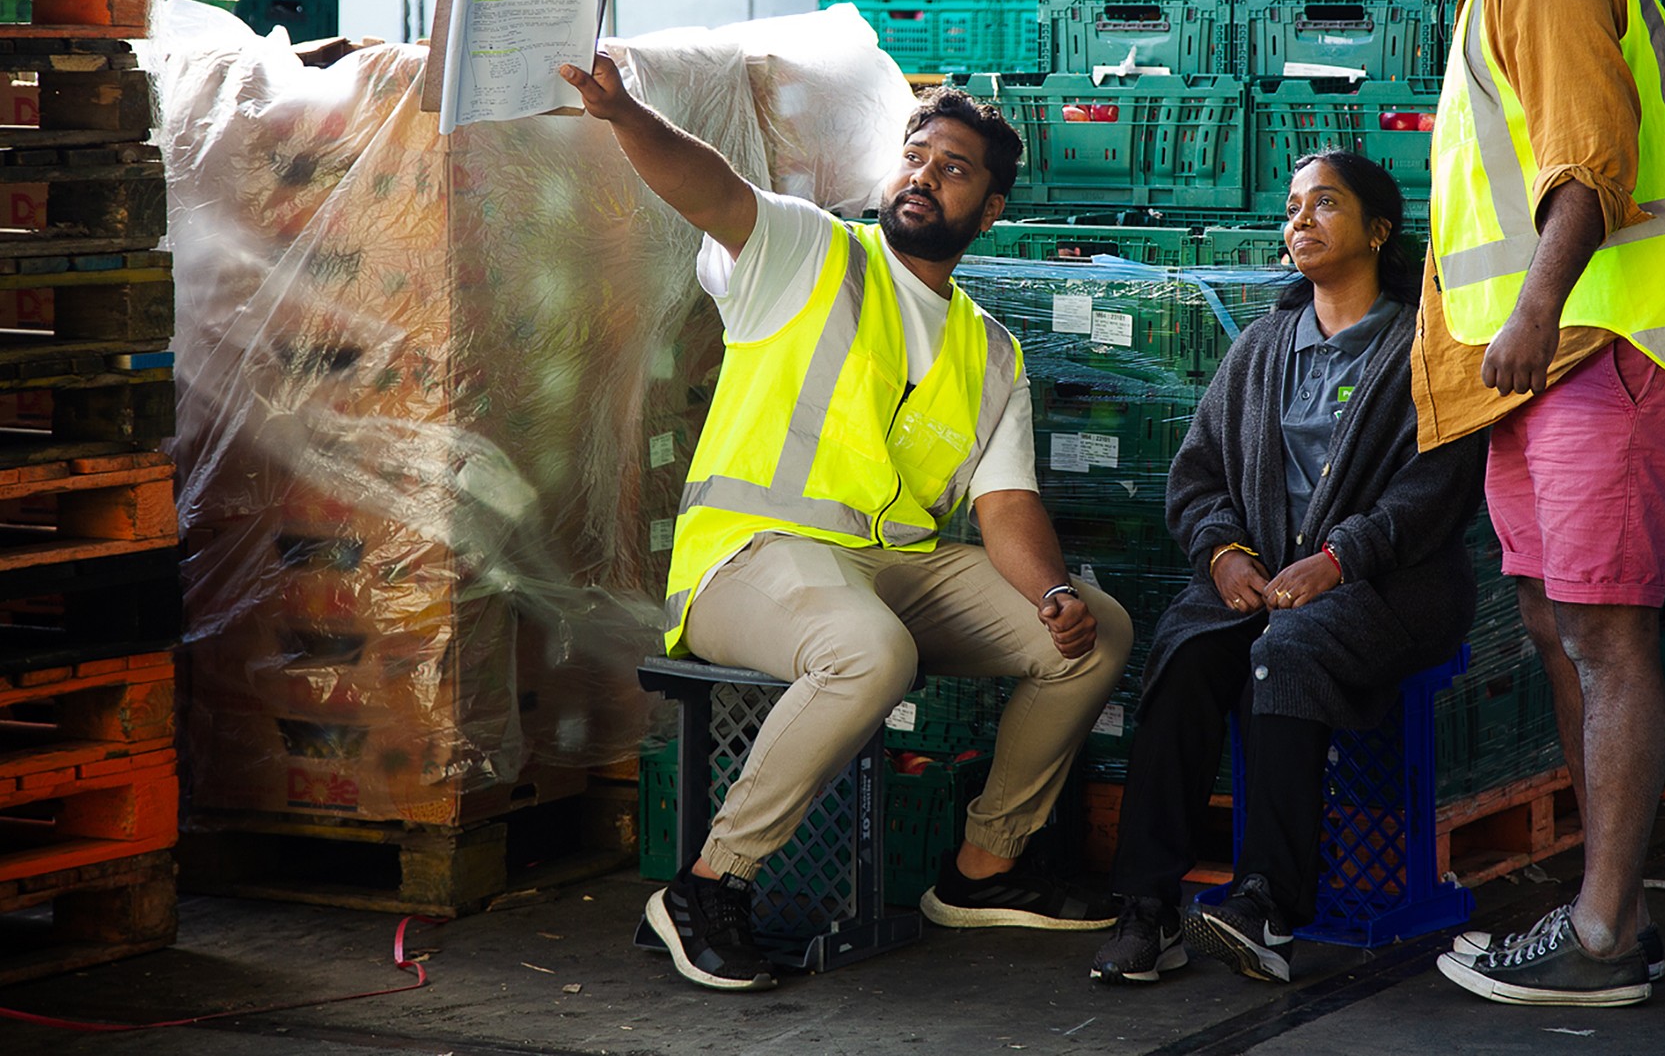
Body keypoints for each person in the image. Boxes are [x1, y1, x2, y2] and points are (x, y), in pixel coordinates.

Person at [561, 55, 1134, 993]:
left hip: (890, 566)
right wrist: (625, 115)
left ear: (990, 211)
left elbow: (1007, 504)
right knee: (871, 652)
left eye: (953, 168)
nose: (923, 174)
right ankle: (709, 884)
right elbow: (707, 187)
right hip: (750, 558)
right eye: (915, 154)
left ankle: (982, 867)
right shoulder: (807, 250)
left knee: (1095, 633)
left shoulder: (989, 350)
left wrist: (1054, 592)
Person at [1362, 0, 1665, 1007]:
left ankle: (1600, 934)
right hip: (1540, 375)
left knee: (1605, 636)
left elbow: (1591, 150)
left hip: (1609, 346)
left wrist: (1539, 311)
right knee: (1556, 626)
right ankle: (1618, 914)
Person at [1089, 151, 1485, 986]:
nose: (1300, 219)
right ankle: (1148, 907)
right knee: (1189, 652)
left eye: (1326, 204)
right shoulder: (1266, 344)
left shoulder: (1426, 345)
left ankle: (1266, 905)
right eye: (1294, 205)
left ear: (1379, 230)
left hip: (1390, 585)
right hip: (1264, 579)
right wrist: (1226, 553)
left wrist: (1340, 559)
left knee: (1285, 652)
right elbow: (1197, 474)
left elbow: (1440, 485)